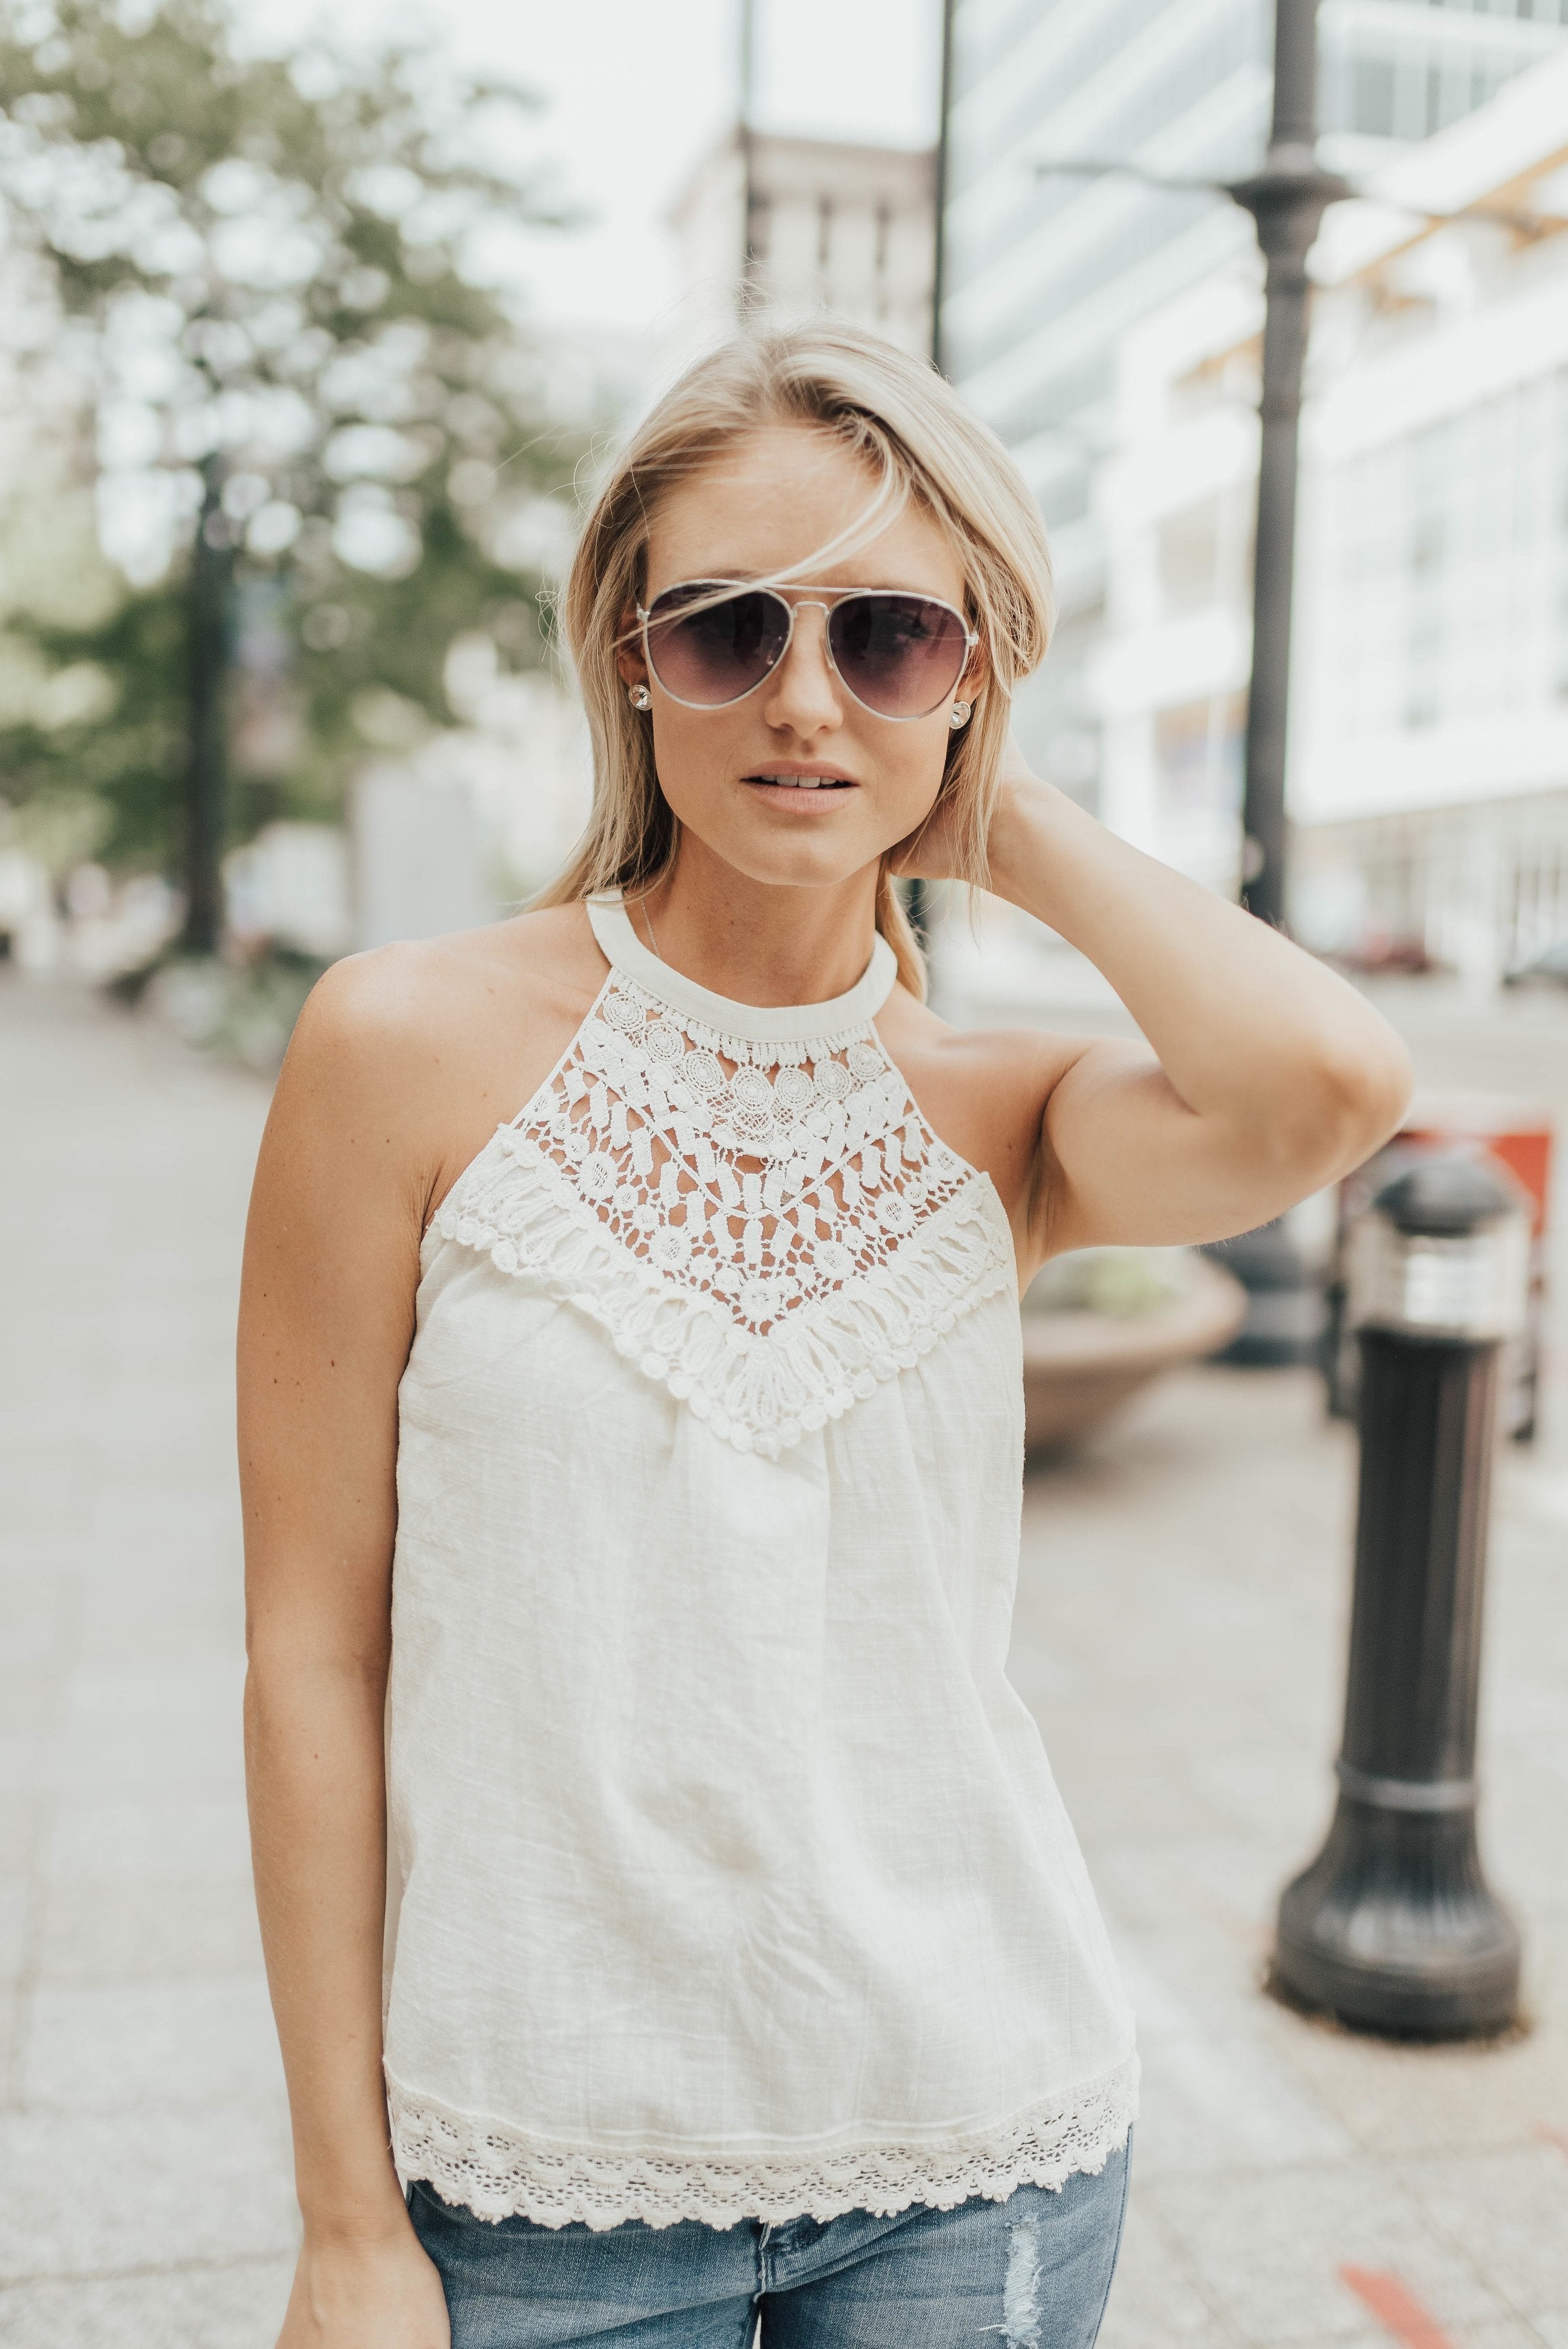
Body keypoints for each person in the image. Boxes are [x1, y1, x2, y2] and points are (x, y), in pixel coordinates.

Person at [240, 324, 1413, 2349]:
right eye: (725, 630)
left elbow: (1326, 1086)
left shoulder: (994, 1111)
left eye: (887, 635)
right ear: (625, 648)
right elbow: (308, 1652)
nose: (800, 699)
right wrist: (347, 2224)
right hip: (530, 2168)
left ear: (975, 671)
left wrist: (1001, 819)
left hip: (976, 2155)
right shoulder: (401, 1045)